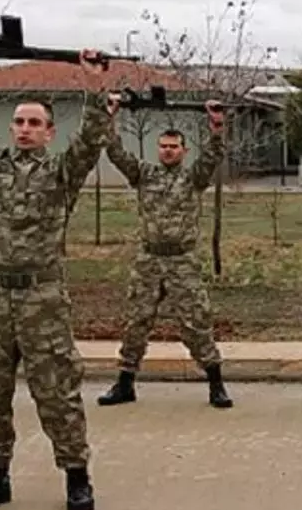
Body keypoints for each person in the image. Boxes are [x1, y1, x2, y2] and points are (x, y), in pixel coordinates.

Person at [0, 81, 115, 510]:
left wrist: (95, 91)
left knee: (57, 390)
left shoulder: (60, 172)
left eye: (34, 123)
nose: (25, 129)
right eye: (19, 122)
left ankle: (77, 475)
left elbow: (90, 141)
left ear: (49, 132)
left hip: (42, 298)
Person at [95, 104, 231, 408]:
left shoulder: (192, 178)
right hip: (149, 261)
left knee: (196, 322)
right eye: (164, 146)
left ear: (184, 150)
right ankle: (125, 384)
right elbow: (116, 153)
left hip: (182, 262)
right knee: (136, 322)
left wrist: (217, 128)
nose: (168, 151)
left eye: (174, 147)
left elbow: (212, 157)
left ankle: (216, 384)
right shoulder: (144, 174)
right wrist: (111, 118)